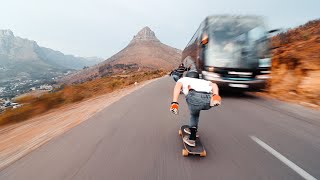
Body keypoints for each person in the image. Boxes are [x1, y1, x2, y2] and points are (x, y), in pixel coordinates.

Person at [170, 70, 221, 147]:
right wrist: (215, 95)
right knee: (195, 113)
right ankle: (215, 99)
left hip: (194, 96)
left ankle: (192, 138)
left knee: (194, 114)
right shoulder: (203, 81)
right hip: (208, 98)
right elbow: (214, 85)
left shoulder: (183, 79)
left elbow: (177, 87)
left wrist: (174, 103)